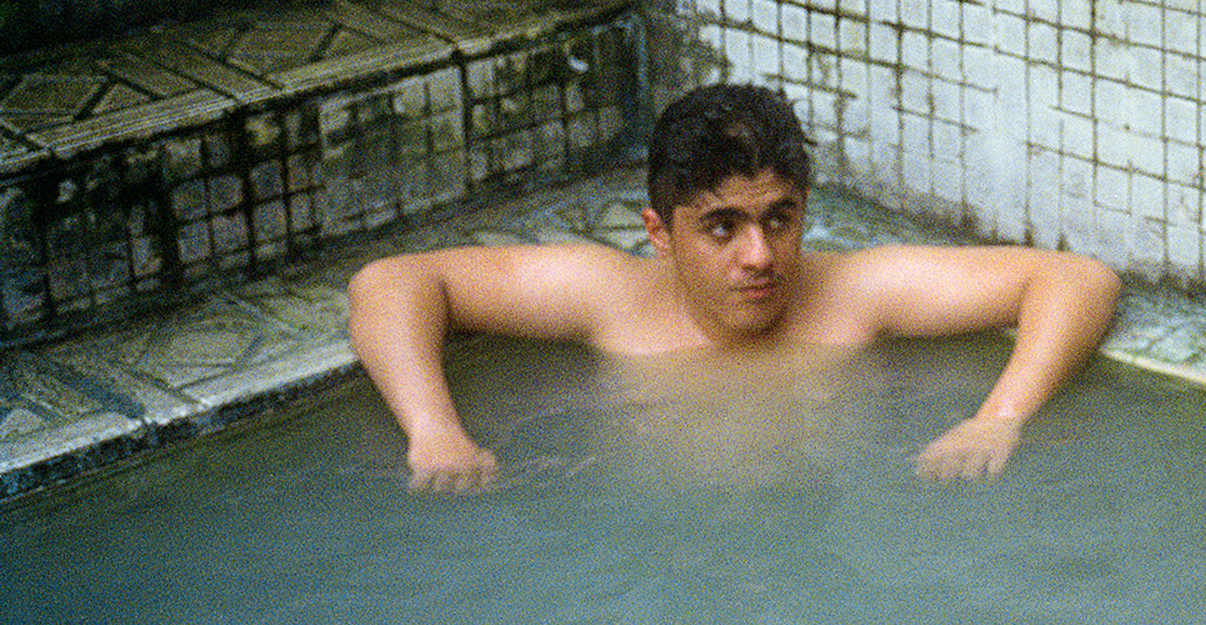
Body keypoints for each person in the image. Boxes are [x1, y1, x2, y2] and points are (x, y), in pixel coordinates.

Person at [349, 82, 1121, 490]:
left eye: (780, 219)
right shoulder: (611, 298)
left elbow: (1074, 281)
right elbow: (393, 284)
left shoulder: (854, 294)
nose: (760, 255)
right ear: (661, 232)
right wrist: (434, 430)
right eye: (722, 228)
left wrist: (999, 420)